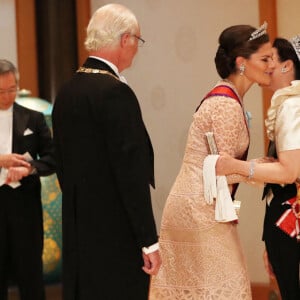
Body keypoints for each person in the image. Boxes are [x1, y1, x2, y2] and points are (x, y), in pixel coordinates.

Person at [148, 23, 274, 299]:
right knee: (229, 289)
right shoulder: (226, 104)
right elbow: (223, 170)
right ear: (242, 63)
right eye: (265, 59)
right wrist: (269, 170)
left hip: (196, 204)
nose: (271, 65)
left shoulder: (228, 95)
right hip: (200, 209)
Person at [52, 3, 161, 300]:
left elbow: (60, 163)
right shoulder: (114, 92)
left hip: (78, 231)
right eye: (137, 40)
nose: (136, 49)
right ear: (125, 39)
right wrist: (148, 240)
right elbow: (131, 172)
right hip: (116, 235)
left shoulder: (67, 91)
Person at [216, 36, 300, 300]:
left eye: (269, 59)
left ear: (287, 66)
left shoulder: (291, 105)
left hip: (291, 220)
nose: (265, 66)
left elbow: (289, 172)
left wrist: (237, 167)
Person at [0, 59, 56, 300]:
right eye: (1, 91)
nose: (7, 96)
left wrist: (29, 168)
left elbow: (53, 157)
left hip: (25, 206)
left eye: (12, 89)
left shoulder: (33, 118)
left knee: (30, 274)